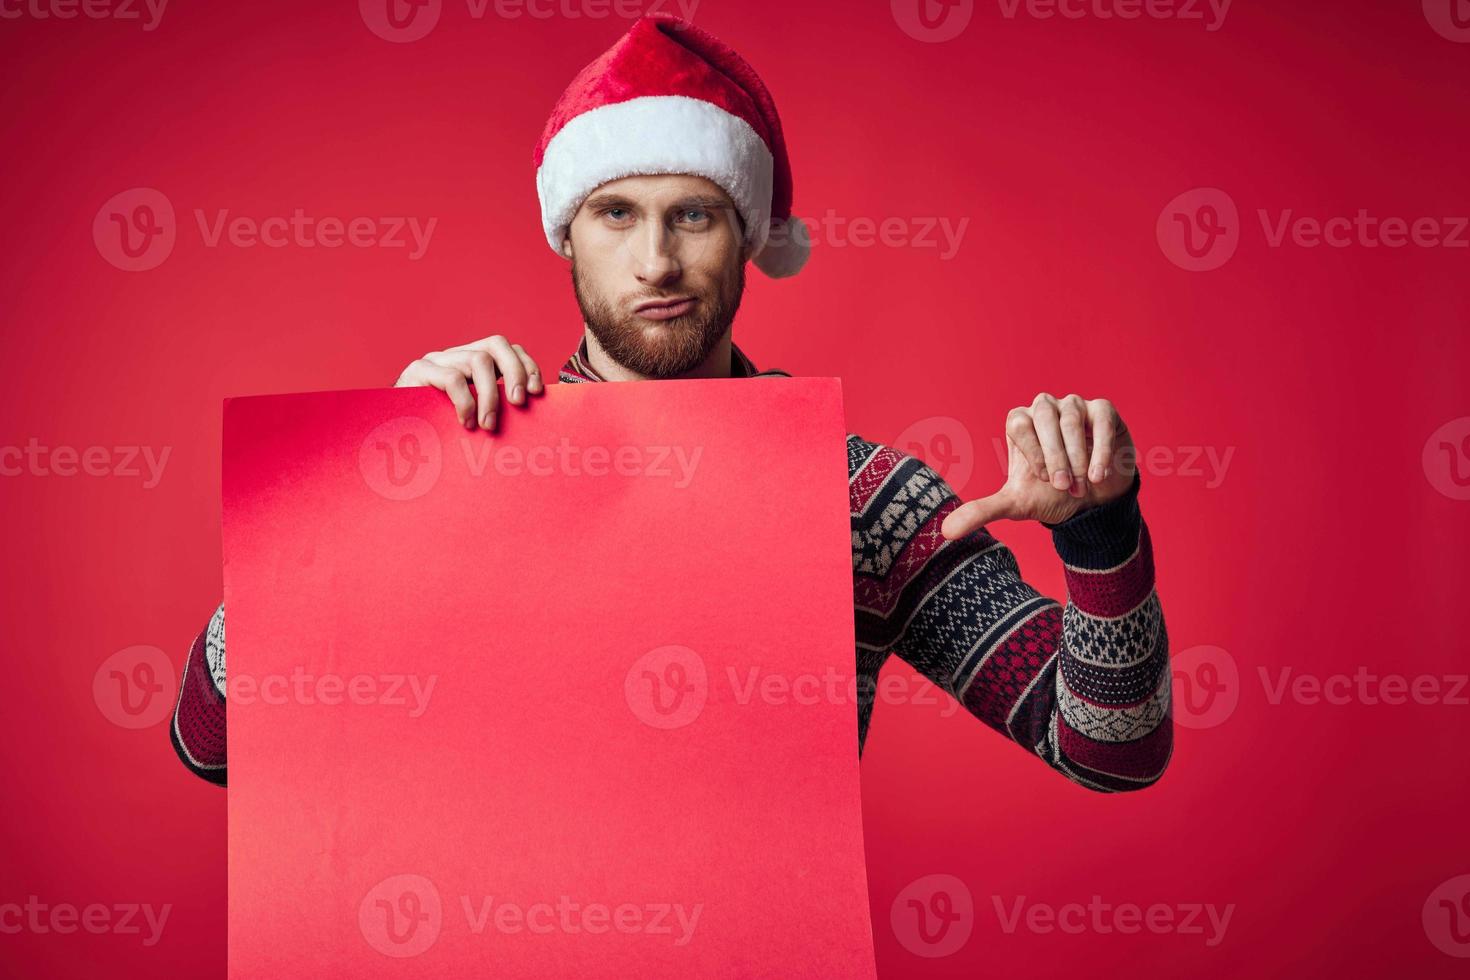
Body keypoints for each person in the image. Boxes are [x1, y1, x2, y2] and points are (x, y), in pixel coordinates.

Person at [171, 13, 1171, 793]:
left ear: (747, 235)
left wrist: (1098, 531)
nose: (656, 261)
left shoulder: (858, 496)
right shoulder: (458, 453)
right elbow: (212, 740)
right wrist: (363, 489)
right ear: (569, 234)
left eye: (692, 213)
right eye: (617, 213)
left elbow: (1108, 746)